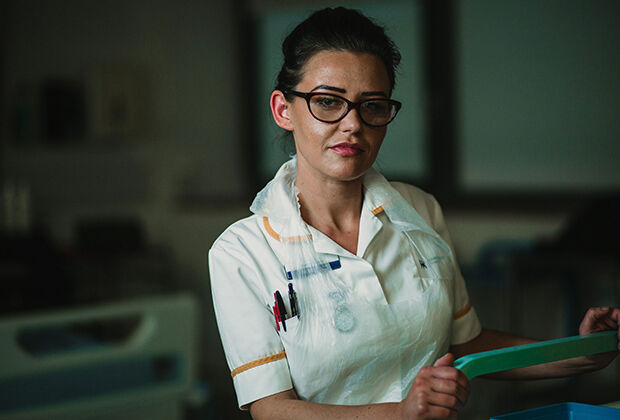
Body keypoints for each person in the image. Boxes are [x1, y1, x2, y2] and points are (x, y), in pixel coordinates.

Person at [208, 7, 620, 419]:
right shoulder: (242, 252)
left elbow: (466, 345)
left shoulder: (418, 210)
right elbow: (271, 409)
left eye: (372, 105)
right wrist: (400, 414)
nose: (353, 124)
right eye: (328, 102)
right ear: (283, 110)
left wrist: (583, 354)